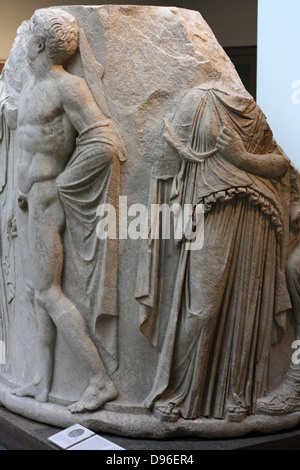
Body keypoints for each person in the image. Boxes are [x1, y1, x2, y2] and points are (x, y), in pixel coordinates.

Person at [137, 87, 292, 423]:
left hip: (256, 215)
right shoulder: (197, 100)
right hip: (208, 211)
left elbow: (281, 164)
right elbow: (162, 159)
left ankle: (237, 393)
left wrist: (242, 159)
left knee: (245, 308)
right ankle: (176, 391)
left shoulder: (251, 110)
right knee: (202, 309)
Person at [10, 8, 123, 413]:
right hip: (28, 202)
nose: (23, 42)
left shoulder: (68, 87)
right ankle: (41, 381)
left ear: (39, 43)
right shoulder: (28, 88)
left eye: (29, 36)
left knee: (48, 293)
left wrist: (63, 183)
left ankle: (99, 380)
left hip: (47, 201)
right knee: (36, 293)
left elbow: (104, 140)